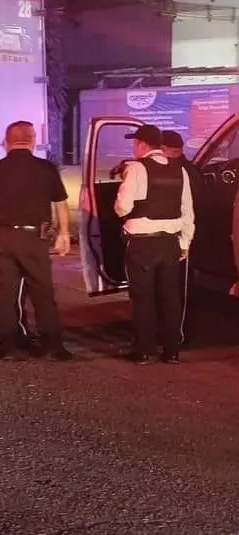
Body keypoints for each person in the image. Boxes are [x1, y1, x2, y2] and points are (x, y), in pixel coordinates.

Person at [0, 121, 73, 361]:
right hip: (34, 238)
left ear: (6, 142)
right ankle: (53, 345)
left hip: (2, 237)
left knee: (4, 293)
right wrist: (64, 233)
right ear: (33, 140)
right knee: (42, 292)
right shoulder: (46, 169)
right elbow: (60, 204)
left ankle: (8, 346)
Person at [114, 124, 194, 365]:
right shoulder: (180, 171)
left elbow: (122, 207)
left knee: (142, 297)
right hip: (170, 243)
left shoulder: (136, 169)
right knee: (170, 297)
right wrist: (185, 243)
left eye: (135, 143)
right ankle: (172, 351)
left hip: (142, 245)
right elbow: (188, 211)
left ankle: (144, 350)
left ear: (142, 145)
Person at [162, 129, 203, 344]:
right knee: (173, 286)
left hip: (183, 236)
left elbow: (190, 208)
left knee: (180, 288)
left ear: (168, 149)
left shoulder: (183, 172)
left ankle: (180, 335)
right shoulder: (189, 169)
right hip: (181, 235)